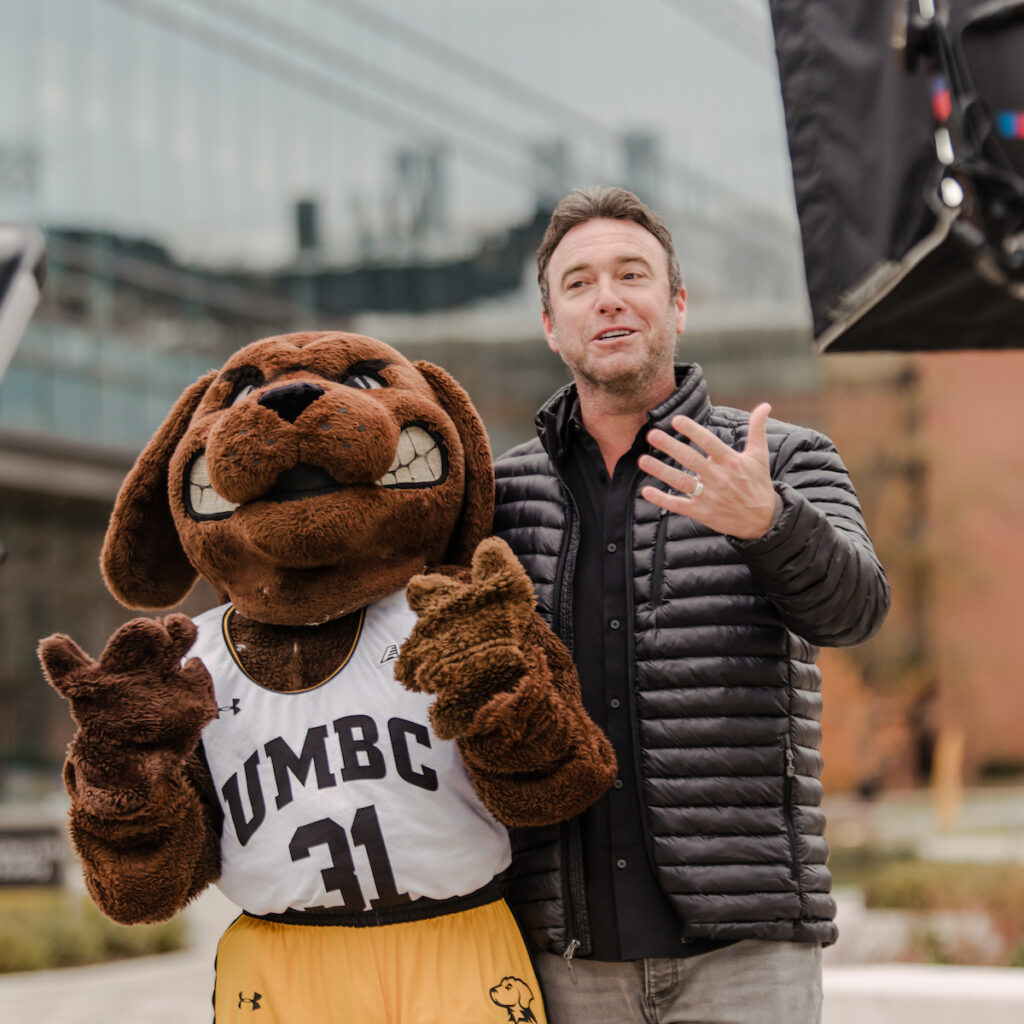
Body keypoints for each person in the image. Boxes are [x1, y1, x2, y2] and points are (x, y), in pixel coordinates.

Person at [492, 186, 890, 1024]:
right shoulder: (501, 495)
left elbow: (855, 612)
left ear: (676, 304)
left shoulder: (782, 459)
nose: (608, 297)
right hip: (565, 959)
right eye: (579, 283)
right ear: (551, 326)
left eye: (632, 274)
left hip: (745, 954)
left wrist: (769, 523)